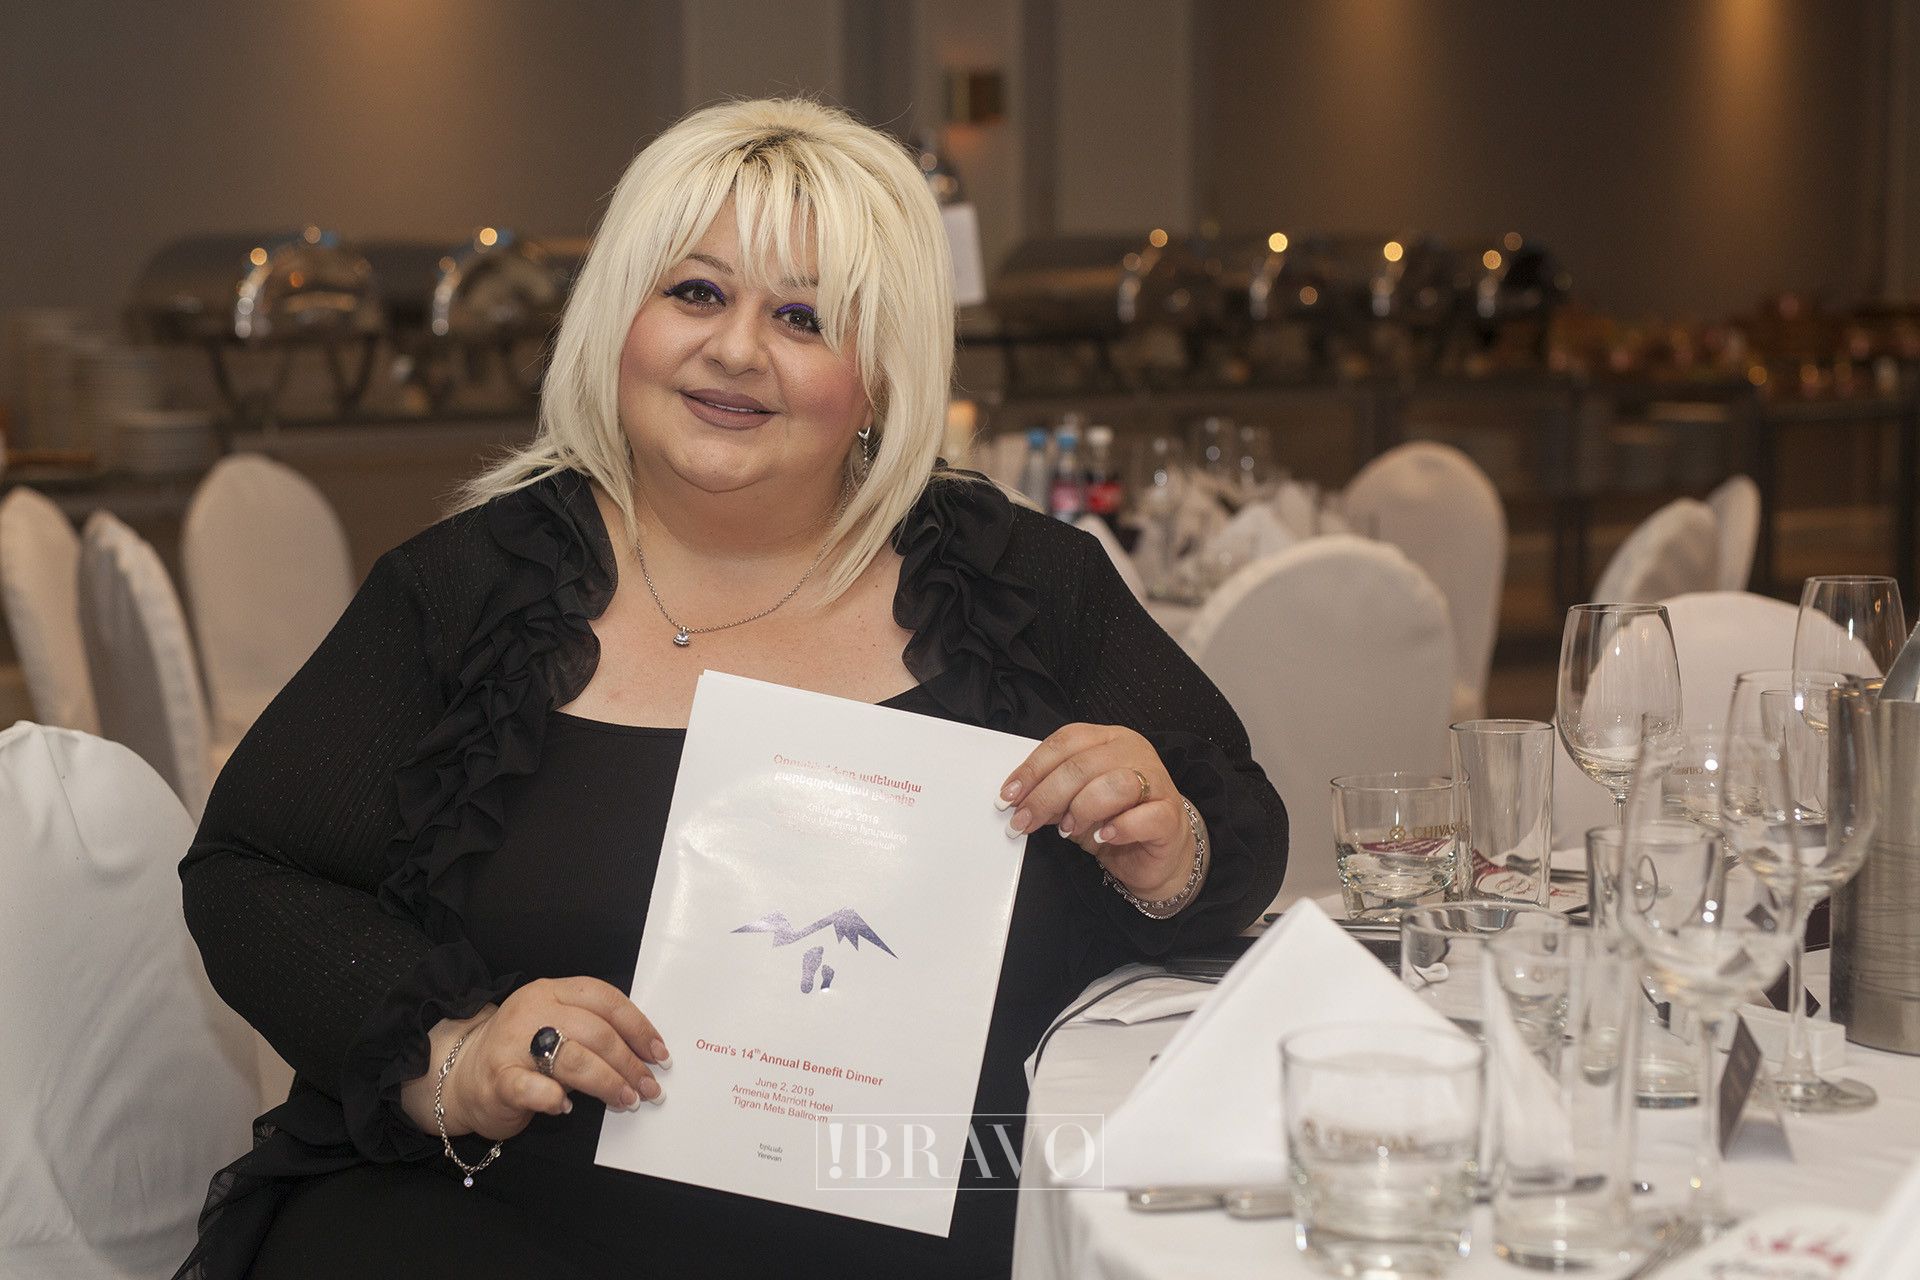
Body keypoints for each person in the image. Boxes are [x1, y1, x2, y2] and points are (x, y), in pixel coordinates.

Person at [177, 97, 1287, 1279]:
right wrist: (451, 1054)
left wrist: (1168, 848)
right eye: (696, 292)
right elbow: (253, 871)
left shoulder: (1019, 584)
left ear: (881, 376)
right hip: (514, 1213)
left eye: (804, 317)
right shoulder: (467, 592)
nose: (738, 349)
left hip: (908, 1217)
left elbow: (1235, 826)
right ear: (621, 318)